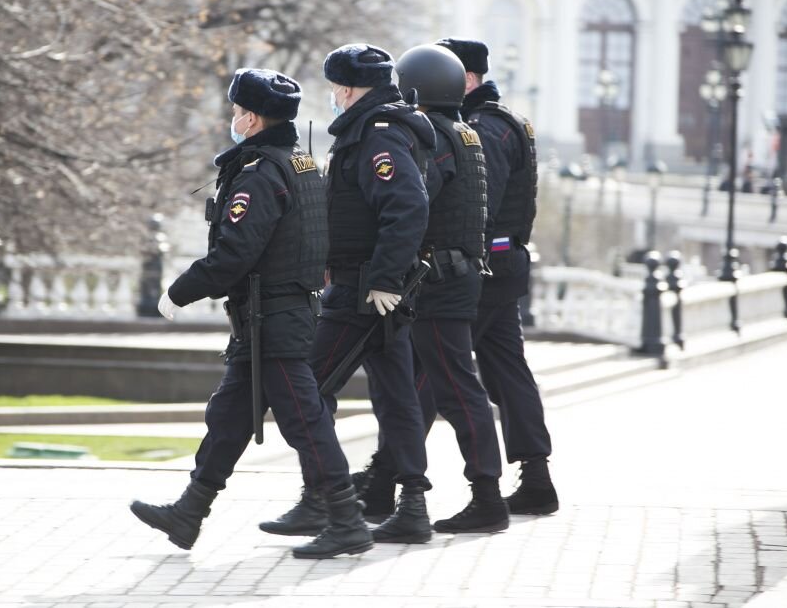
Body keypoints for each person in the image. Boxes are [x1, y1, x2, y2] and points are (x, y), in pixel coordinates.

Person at [129, 68, 373, 560]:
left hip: (274, 319)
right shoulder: (301, 163)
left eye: (239, 111)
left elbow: (234, 254)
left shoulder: (261, 174)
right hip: (269, 317)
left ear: (254, 118)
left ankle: (347, 519)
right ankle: (189, 512)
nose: (234, 119)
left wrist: (178, 292)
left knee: (305, 423)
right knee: (229, 418)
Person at [259, 43, 435, 544]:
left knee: (302, 390)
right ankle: (412, 507)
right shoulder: (381, 128)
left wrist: (382, 278)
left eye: (336, 88)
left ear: (350, 88)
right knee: (397, 398)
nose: (333, 97)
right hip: (374, 287)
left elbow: (407, 208)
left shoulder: (377, 135)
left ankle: (328, 505)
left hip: (363, 289)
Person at [377, 44, 509, 533]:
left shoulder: (435, 137)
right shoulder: (467, 132)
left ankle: (487, 497)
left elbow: (416, 200)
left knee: (457, 391)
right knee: (432, 386)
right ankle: (385, 481)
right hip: (458, 275)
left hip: (439, 281)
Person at [438, 37, 559, 516]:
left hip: (483, 268)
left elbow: (475, 206)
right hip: (503, 264)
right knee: (507, 370)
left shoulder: (481, 129)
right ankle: (537, 478)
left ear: (468, 79)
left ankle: (391, 474)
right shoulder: (504, 122)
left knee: (432, 365)